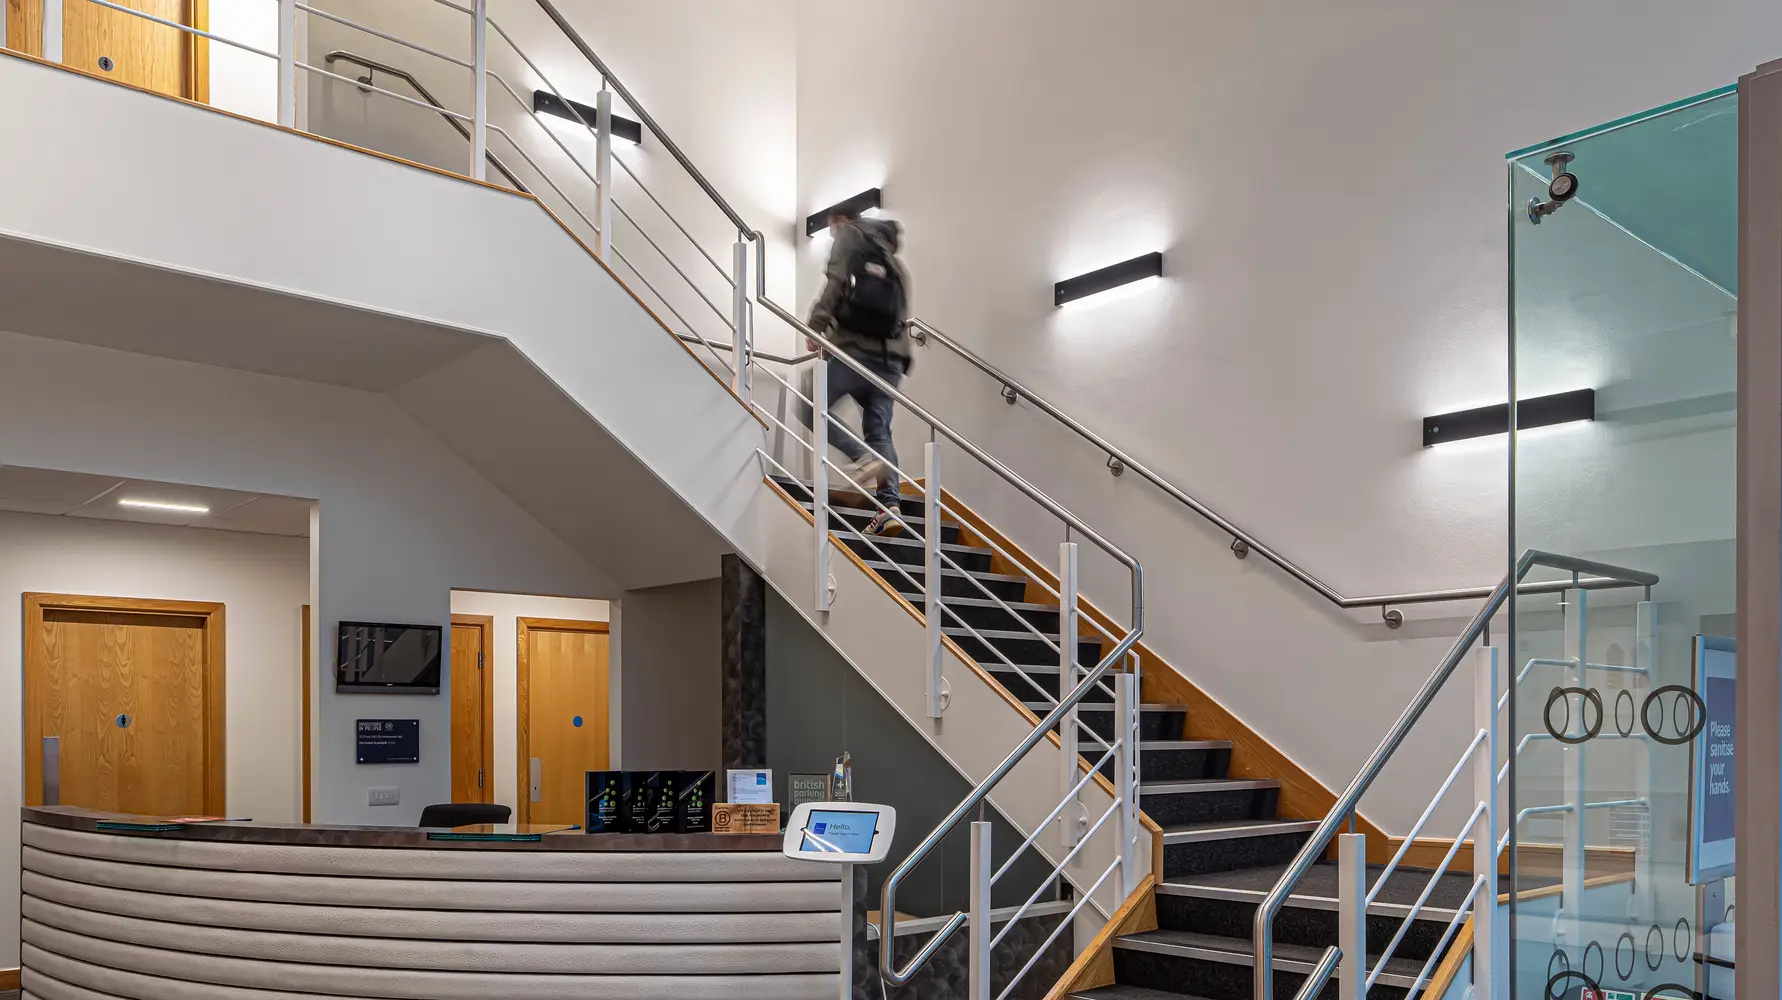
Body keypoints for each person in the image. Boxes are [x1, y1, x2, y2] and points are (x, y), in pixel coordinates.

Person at [804, 207, 912, 535]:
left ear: (842, 221)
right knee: (880, 432)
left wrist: (815, 326)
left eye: (831, 227)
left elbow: (836, 281)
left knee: (809, 405)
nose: (832, 233)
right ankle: (889, 507)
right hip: (891, 361)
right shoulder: (896, 264)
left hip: (855, 352)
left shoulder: (849, 235)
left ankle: (863, 458)